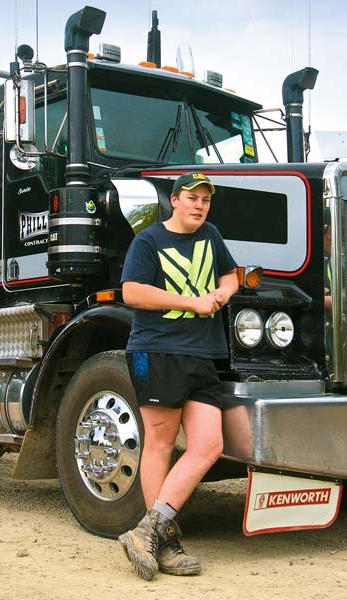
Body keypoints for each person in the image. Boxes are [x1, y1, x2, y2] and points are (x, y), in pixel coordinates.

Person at [118, 172, 240, 580]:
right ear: (175, 200)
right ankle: (164, 543)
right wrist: (192, 302)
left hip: (203, 354)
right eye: (192, 197)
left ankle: (147, 531)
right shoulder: (149, 240)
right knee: (161, 444)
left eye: (206, 199)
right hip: (158, 351)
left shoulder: (212, 235)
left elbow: (231, 274)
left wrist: (223, 294)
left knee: (208, 445)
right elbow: (132, 292)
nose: (199, 205)